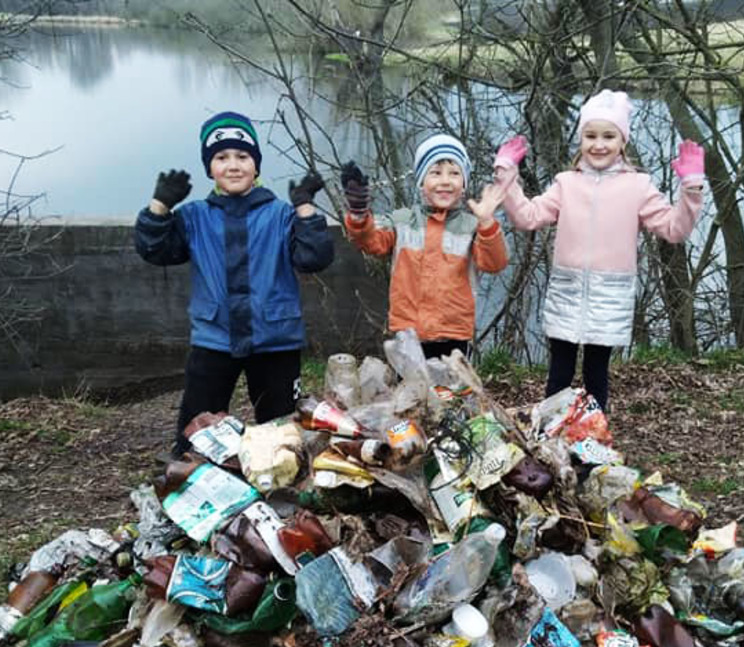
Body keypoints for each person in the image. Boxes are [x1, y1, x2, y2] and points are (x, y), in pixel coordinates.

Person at [135, 110, 334, 456]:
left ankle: (282, 483)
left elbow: (315, 257)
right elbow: (154, 250)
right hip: (215, 338)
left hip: (275, 339)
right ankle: (189, 481)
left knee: (282, 430)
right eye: (221, 158)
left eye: (243, 157)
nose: (233, 165)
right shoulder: (195, 216)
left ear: (256, 166)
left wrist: (304, 209)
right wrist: (160, 207)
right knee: (195, 428)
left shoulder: (280, 215)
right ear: (210, 168)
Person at [493, 89, 705, 411]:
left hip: (609, 297)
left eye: (609, 135)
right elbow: (527, 217)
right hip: (567, 291)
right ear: (580, 139)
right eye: (590, 135)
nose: (599, 144)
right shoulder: (566, 183)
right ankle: (551, 436)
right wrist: (507, 175)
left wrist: (691, 187)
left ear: (623, 141)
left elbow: (675, 229)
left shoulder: (638, 186)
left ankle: (594, 440)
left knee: (596, 376)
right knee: (558, 375)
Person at [340, 134, 509, 359]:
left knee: (450, 393)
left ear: (464, 184)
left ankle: (451, 395)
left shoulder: (471, 226)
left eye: (455, 173)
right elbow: (370, 241)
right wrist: (359, 214)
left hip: (453, 334)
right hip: (408, 333)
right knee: (413, 392)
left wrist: (487, 222)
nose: (445, 181)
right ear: (421, 182)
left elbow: (495, 263)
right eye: (435, 173)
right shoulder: (402, 220)